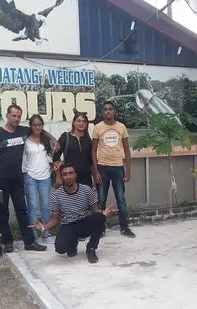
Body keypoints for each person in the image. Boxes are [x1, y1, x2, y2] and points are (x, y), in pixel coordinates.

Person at [0, 104, 51, 253]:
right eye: (13, 116)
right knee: (3, 211)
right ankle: (7, 241)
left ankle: (29, 241)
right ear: (7, 115)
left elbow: (40, 130)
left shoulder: (24, 131)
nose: (16, 119)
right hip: (1, 180)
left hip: (17, 180)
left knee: (22, 210)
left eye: (18, 116)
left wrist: (53, 140)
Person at [31, 163, 115, 263]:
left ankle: (91, 248)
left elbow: (95, 211)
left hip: (84, 222)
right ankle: (73, 243)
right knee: (60, 249)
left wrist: (103, 213)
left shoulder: (86, 190)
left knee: (100, 217)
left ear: (75, 175)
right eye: (65, 174)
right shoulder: (56, 196)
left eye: (71, 173)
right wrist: (44, 227)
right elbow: (55, 219)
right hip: (68, 226)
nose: (68, 176)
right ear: (62, 177)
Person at [91, 101, 136, 238]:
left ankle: (124, 228)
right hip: (102, 167)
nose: (108, 111)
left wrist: (128, 170)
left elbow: (127, 149)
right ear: (102, 112)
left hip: (118, 167)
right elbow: (93, 150)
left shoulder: (121, 127)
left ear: (114, 111)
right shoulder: (98, 127)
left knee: (121, 199)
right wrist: (96, 172)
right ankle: (100, 228)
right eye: (105, 109)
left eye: (110, 109)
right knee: (101, 200)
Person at [22, 114, 53, 241]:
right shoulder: (25, 141)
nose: (37, 127)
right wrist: (25, 174)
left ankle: (45, 232)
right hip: (30, 177)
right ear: (31, 126)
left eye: (39, 124)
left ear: (42, 126)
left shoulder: (46, 140)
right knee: (33, 206)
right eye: (34, 125)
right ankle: (33, 234)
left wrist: (51, 168)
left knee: (45, 206)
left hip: (45, 176)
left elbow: (52, 157)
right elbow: (22, 159)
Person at [53, 112, 95, 188]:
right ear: (74, 123)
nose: (81, 123)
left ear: (86, 124)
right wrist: (58, 176)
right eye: (78, 121)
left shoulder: (88, 140)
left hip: (86, 178)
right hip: (69, 177)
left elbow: (91, 161)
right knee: (69, 200)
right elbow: (55, 157)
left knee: (85, 199)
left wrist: (94, 178)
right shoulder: (65, 137)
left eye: (84, 121)